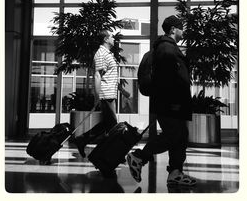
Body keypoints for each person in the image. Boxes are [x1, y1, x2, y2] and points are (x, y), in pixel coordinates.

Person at [126, 15, 196, 186]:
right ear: (173, 29)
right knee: (174, 135)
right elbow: (167, 80)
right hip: (170, 103)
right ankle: (139, 157)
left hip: (172, 103)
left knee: (180, 136)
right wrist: (174, 102)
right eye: (181, 27)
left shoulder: (168, 47)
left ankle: (175, 172)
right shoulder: (166, 49)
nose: (183, 31)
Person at [74, 29, 129, 159]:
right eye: (111, 37)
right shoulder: (101, 54)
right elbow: (97, 75)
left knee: (107, 125)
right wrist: (98, 96)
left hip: (110, 93)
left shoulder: (107, 53)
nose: (114, 39)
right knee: (113, 126)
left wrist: (123, 91)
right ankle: (115, 155)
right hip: (106, 94)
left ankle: (82, 139)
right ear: (105, 39)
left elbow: (110, 76)